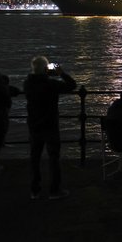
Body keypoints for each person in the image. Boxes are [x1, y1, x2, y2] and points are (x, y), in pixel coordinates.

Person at [24, 56, 76, 200]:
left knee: (34, 158)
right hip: (50, 125)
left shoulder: (27, 84)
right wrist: (61, 73)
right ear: (46, 69)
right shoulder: (51, 84)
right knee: (53, 158)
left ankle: (35, 190)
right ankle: (54, 190)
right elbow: (72, 85)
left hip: (34, 125)